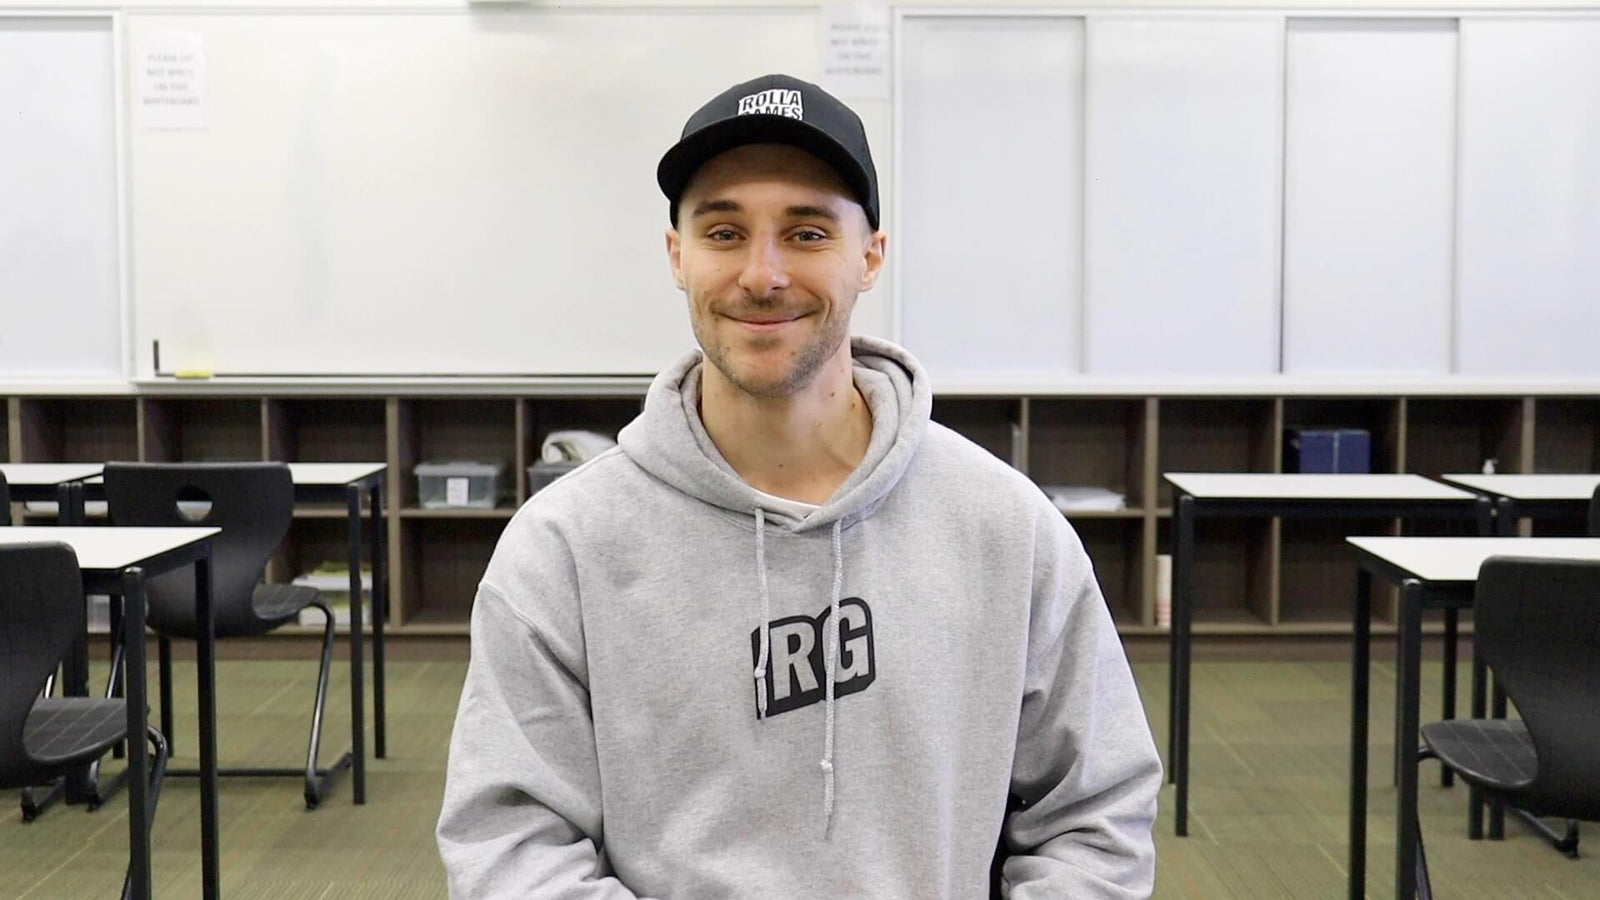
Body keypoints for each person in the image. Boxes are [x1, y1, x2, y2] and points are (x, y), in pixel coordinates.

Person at [437, 73, 1162, 899]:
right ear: (677, 255)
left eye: (807, 232)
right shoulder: (562, 546)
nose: (762, 274)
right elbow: (511, 846)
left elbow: (1096, 816)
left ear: (871, 257)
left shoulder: (1006, 528)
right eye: (724, 231)